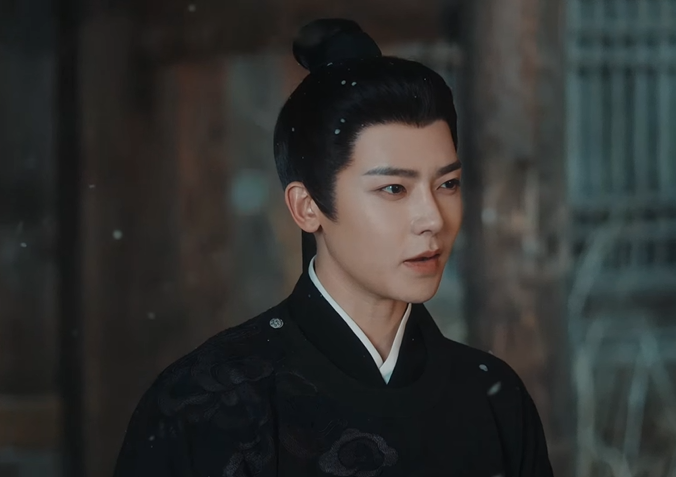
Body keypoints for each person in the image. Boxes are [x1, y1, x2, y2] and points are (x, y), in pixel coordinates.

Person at [113, 18, 553, 477]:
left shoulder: (493, 400)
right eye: (394, 189)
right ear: (307, 207)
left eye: (447, 184)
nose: (433, 219)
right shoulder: (205, 406)